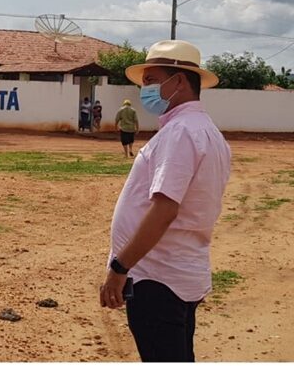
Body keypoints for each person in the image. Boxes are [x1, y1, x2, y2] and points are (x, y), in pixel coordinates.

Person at [99, 40, 231, 362]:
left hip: (158, 278)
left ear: (180, 81)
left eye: (151, 80)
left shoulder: (181, 133)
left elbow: (165, 209)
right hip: (178, 273)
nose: (147, 90)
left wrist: (120, 267)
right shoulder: (208, 132)